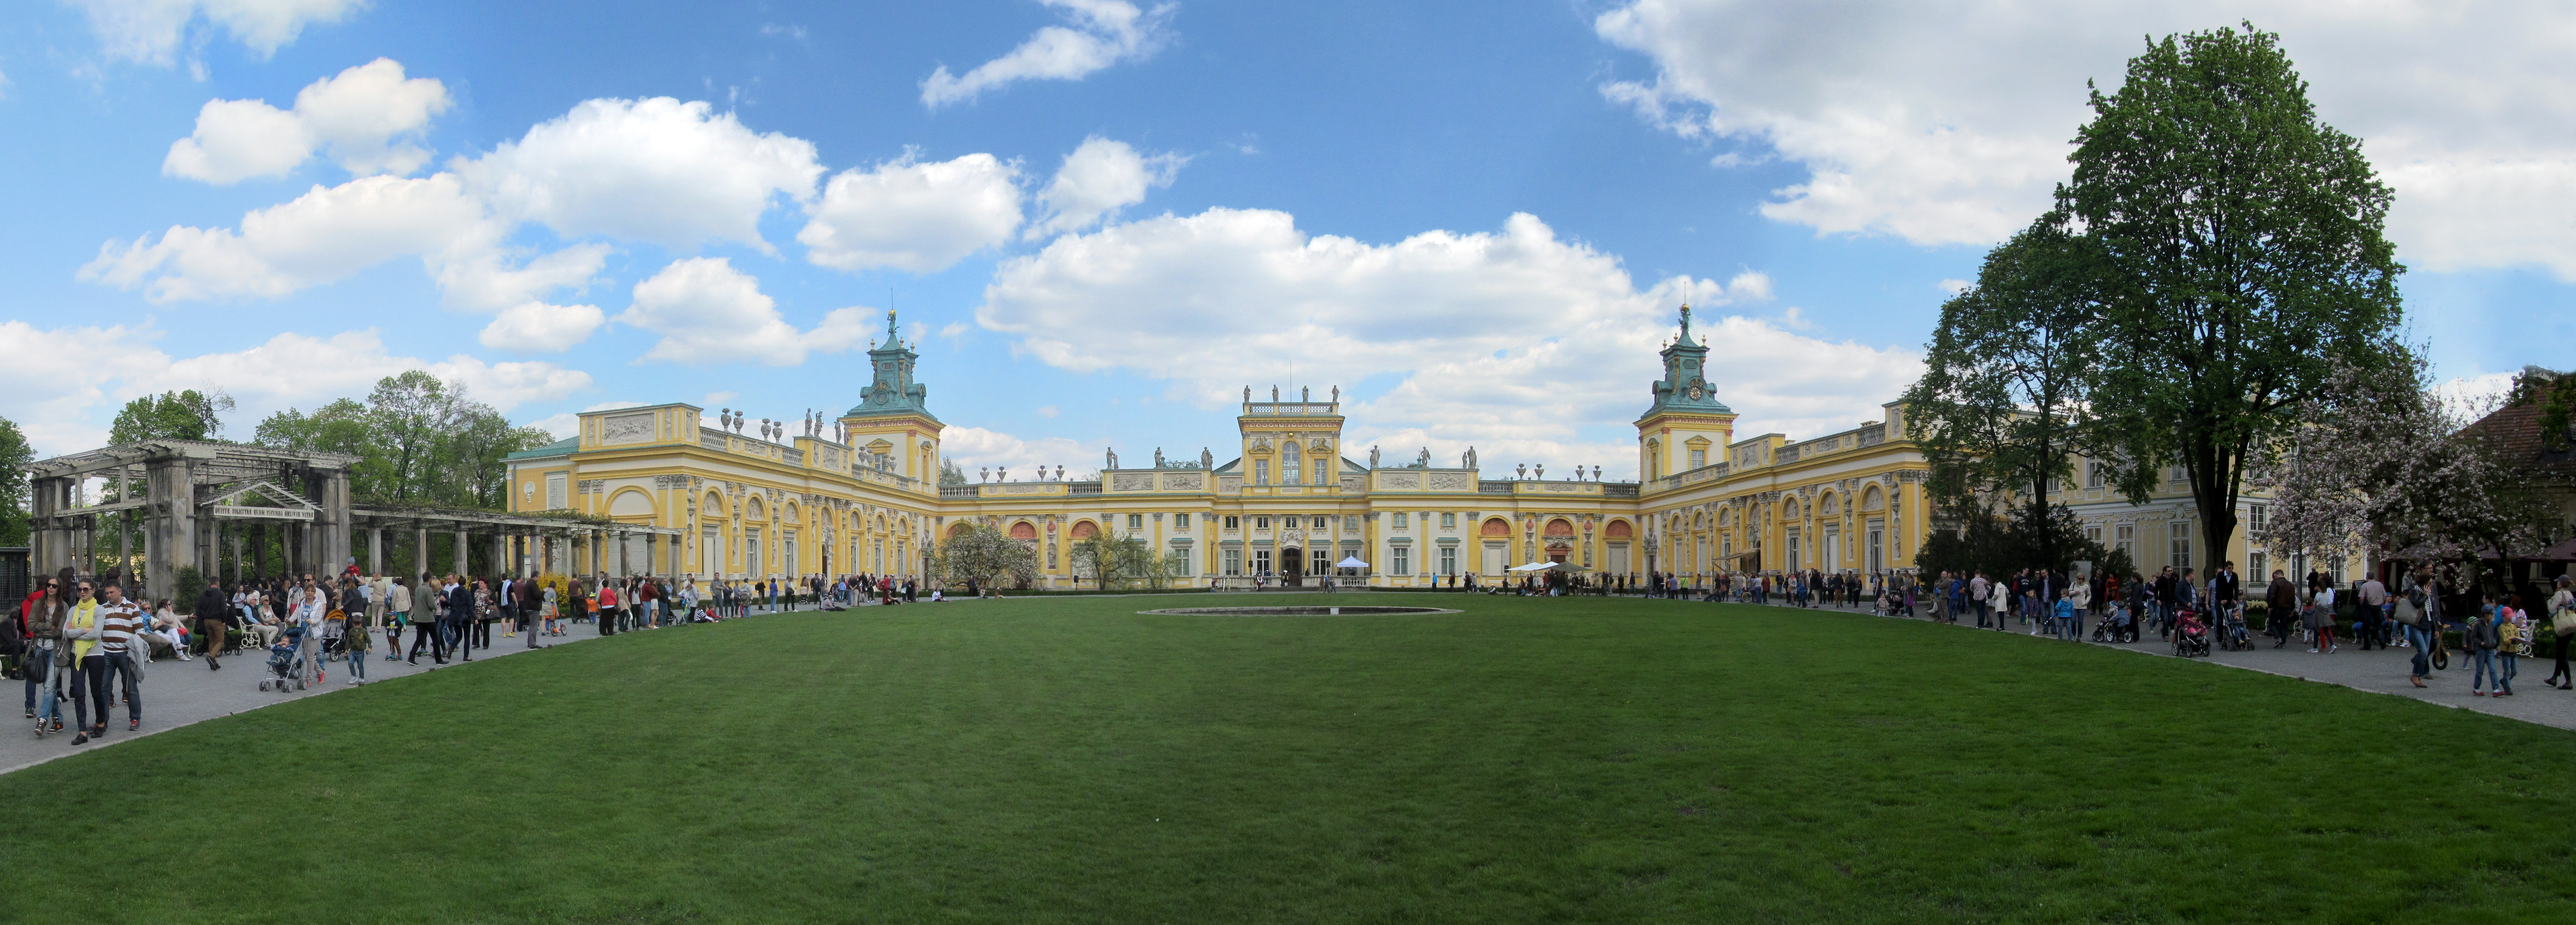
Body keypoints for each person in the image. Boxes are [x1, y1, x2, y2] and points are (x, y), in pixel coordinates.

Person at [2544, 576, 2576, 691]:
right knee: (2561, 653)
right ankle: (2554, 678)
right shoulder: (2569, 594)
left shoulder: (2559, 595)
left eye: (2558, 582)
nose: (2557, 584)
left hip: (2563, 627)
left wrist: (2549, 602)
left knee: (2562, 655)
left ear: (2560, 584)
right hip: (2571, 625)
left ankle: (2569, 681)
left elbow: (2552, 609)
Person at [2469, 595, 2503, 696]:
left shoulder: (2492, 625)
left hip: (2490, 650)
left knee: (2493, 670)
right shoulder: (2478, 624)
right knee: (2480, 670)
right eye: (2491, 614)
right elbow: (2473, 637)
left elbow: (2493, 635)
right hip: (2481, 650)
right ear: (2486, 614)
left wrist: (2493, 643)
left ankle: (2496, 689)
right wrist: (2481, 643)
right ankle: (2477, 688)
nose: (2493, 616)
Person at [408, 572, 445, 664]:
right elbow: (431, 604)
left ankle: (411, 657)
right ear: (430, 579)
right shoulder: (428, 590)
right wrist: (436, 606)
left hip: (419, 617)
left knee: (419, 639)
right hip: (428, 618)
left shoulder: (418, 589)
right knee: (436, 639)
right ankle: (439, 660)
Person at [195, 578, 231, 670]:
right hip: (217, 620)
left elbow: (198, 609)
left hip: (207, 620)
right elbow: (224, 609)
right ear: (218, 583)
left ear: (209, 583)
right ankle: (211, 657)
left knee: (212, 641)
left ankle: (214, 663)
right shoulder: (220, 594)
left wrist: (202, 619)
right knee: (220, 641)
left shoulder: (203, 594)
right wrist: (224, 620)